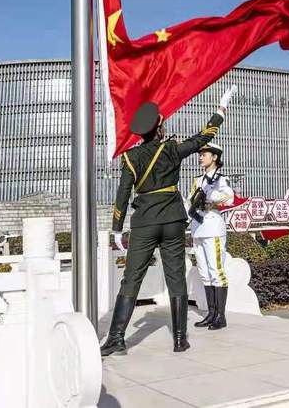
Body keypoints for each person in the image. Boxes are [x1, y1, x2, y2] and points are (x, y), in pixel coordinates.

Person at [100, 85, 237, 356]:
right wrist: (221, 109)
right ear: (160, 128)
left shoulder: (131, 157)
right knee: (175, 277)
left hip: (145, 222)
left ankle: (116, 338)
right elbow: (203, 136)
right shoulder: (171, 149)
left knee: (131, 278)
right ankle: (179, 339)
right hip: (173, 220)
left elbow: (122, 195)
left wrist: (117, 228)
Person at [188, 142, 234, 330]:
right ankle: (211, 313)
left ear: (214, 157)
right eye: (200, 155)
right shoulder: (197, 180)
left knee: (216, 271)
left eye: (204, 154)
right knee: (204, 272)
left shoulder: (220, 179)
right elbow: (190, 201)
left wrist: (210, 195)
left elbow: (229, 197)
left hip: (213, 226)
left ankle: (220, 316)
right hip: (197, 227)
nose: (201, 157)